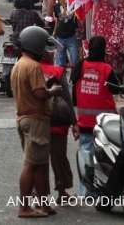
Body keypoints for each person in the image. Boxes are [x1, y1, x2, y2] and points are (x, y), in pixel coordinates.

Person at [10, 26, 63, 218]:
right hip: (35, 120)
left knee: (40, 164)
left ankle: (43, 204)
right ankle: (24, 207)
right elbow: (40, 93)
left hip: (25, 118)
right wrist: (53, 91)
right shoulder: (32, 66)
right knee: (31, 164)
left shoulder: (19, 64)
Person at [70, 35, 121, 195]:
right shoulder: (106, 69)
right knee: (103, 159)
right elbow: (116, 89)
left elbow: (74, 93)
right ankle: (102, 191)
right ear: (103, 50)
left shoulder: (79, 66)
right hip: (104, 124)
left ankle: (85, 192)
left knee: (86, 157)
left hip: (84, 122)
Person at [40, 58, 76, 204]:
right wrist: (74, 123)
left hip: (39, 121)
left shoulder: (29, 68)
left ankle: (39, 195)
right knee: (59, 158)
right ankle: (62, 192)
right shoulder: (58, 71)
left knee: (39, 160)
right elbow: (67, 98)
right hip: (59, 122)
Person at [54, 0, 80, 68]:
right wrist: (54, 32)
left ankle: (73, 77)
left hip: (71, 37)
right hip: (60, 37)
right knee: (60, 63)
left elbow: (78, 19)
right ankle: (60, 78)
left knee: (75, 61)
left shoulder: (74, 5)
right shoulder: (56, 6)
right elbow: (57, 20)